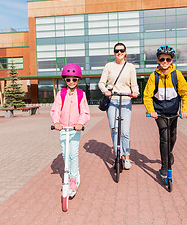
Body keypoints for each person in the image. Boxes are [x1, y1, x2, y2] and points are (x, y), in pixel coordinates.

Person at [143, 45, 187, 179]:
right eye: (162, 59)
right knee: (164, 137)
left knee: (172, 137)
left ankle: (168, 154)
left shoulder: (177, 75)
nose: (165, 62)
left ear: (171, 61)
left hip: (173, 111)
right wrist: (151, 110)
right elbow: (147, 95)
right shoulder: (154, 76)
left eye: (168, 59)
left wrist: (185, 110)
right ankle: (164, 167)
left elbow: (186, 93)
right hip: (159, 112)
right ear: (158, 60)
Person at [98, 42, 139, 170]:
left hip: (126, 100)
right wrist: (105, 90)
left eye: (121, 50)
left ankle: (126, 157)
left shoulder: (130, 67)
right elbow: (101, 83)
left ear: (125, 52)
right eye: (116, 51)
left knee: (125, 132)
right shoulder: (109, 66)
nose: (119, 53)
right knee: (115, 130)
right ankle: (118, 156)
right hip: (113, 101)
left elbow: (134, 85)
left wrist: (135, 92)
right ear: (114, 53)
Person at [50, 63, 90, 193]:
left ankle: (73, 177)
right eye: (68, 79)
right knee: (66, 154)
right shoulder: (61, 93)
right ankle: (67, 174)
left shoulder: (80, 94)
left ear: (78, 79)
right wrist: (56, 122)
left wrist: (80, 123)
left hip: (74, 130)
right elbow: (55, 109)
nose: (71, 82)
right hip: (63, 129)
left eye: (74, 79)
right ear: (65, 80)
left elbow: (85, 112)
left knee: (73, 153)